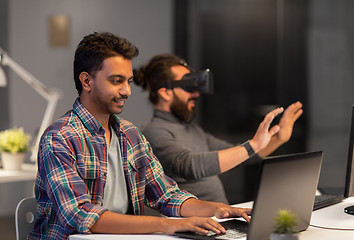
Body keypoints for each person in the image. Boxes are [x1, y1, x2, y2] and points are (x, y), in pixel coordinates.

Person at [28, 32, 287, 239]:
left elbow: (166, 195)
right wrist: (166, 225)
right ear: (87, 81)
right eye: (116, 81)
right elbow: (83, 217)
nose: (127, 91)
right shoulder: (59, 138)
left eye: (128, 81)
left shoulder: (130, 134)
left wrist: (219, 210)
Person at [134, 53, 303, 204]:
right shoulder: (153, 132)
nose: (196, 94)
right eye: (189, 87)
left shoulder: (193, 130)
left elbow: (240, 155)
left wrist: (278, 138)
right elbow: (187, 165)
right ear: (165, 93)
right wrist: (253, 145)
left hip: (221, 218)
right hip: (195, 225)